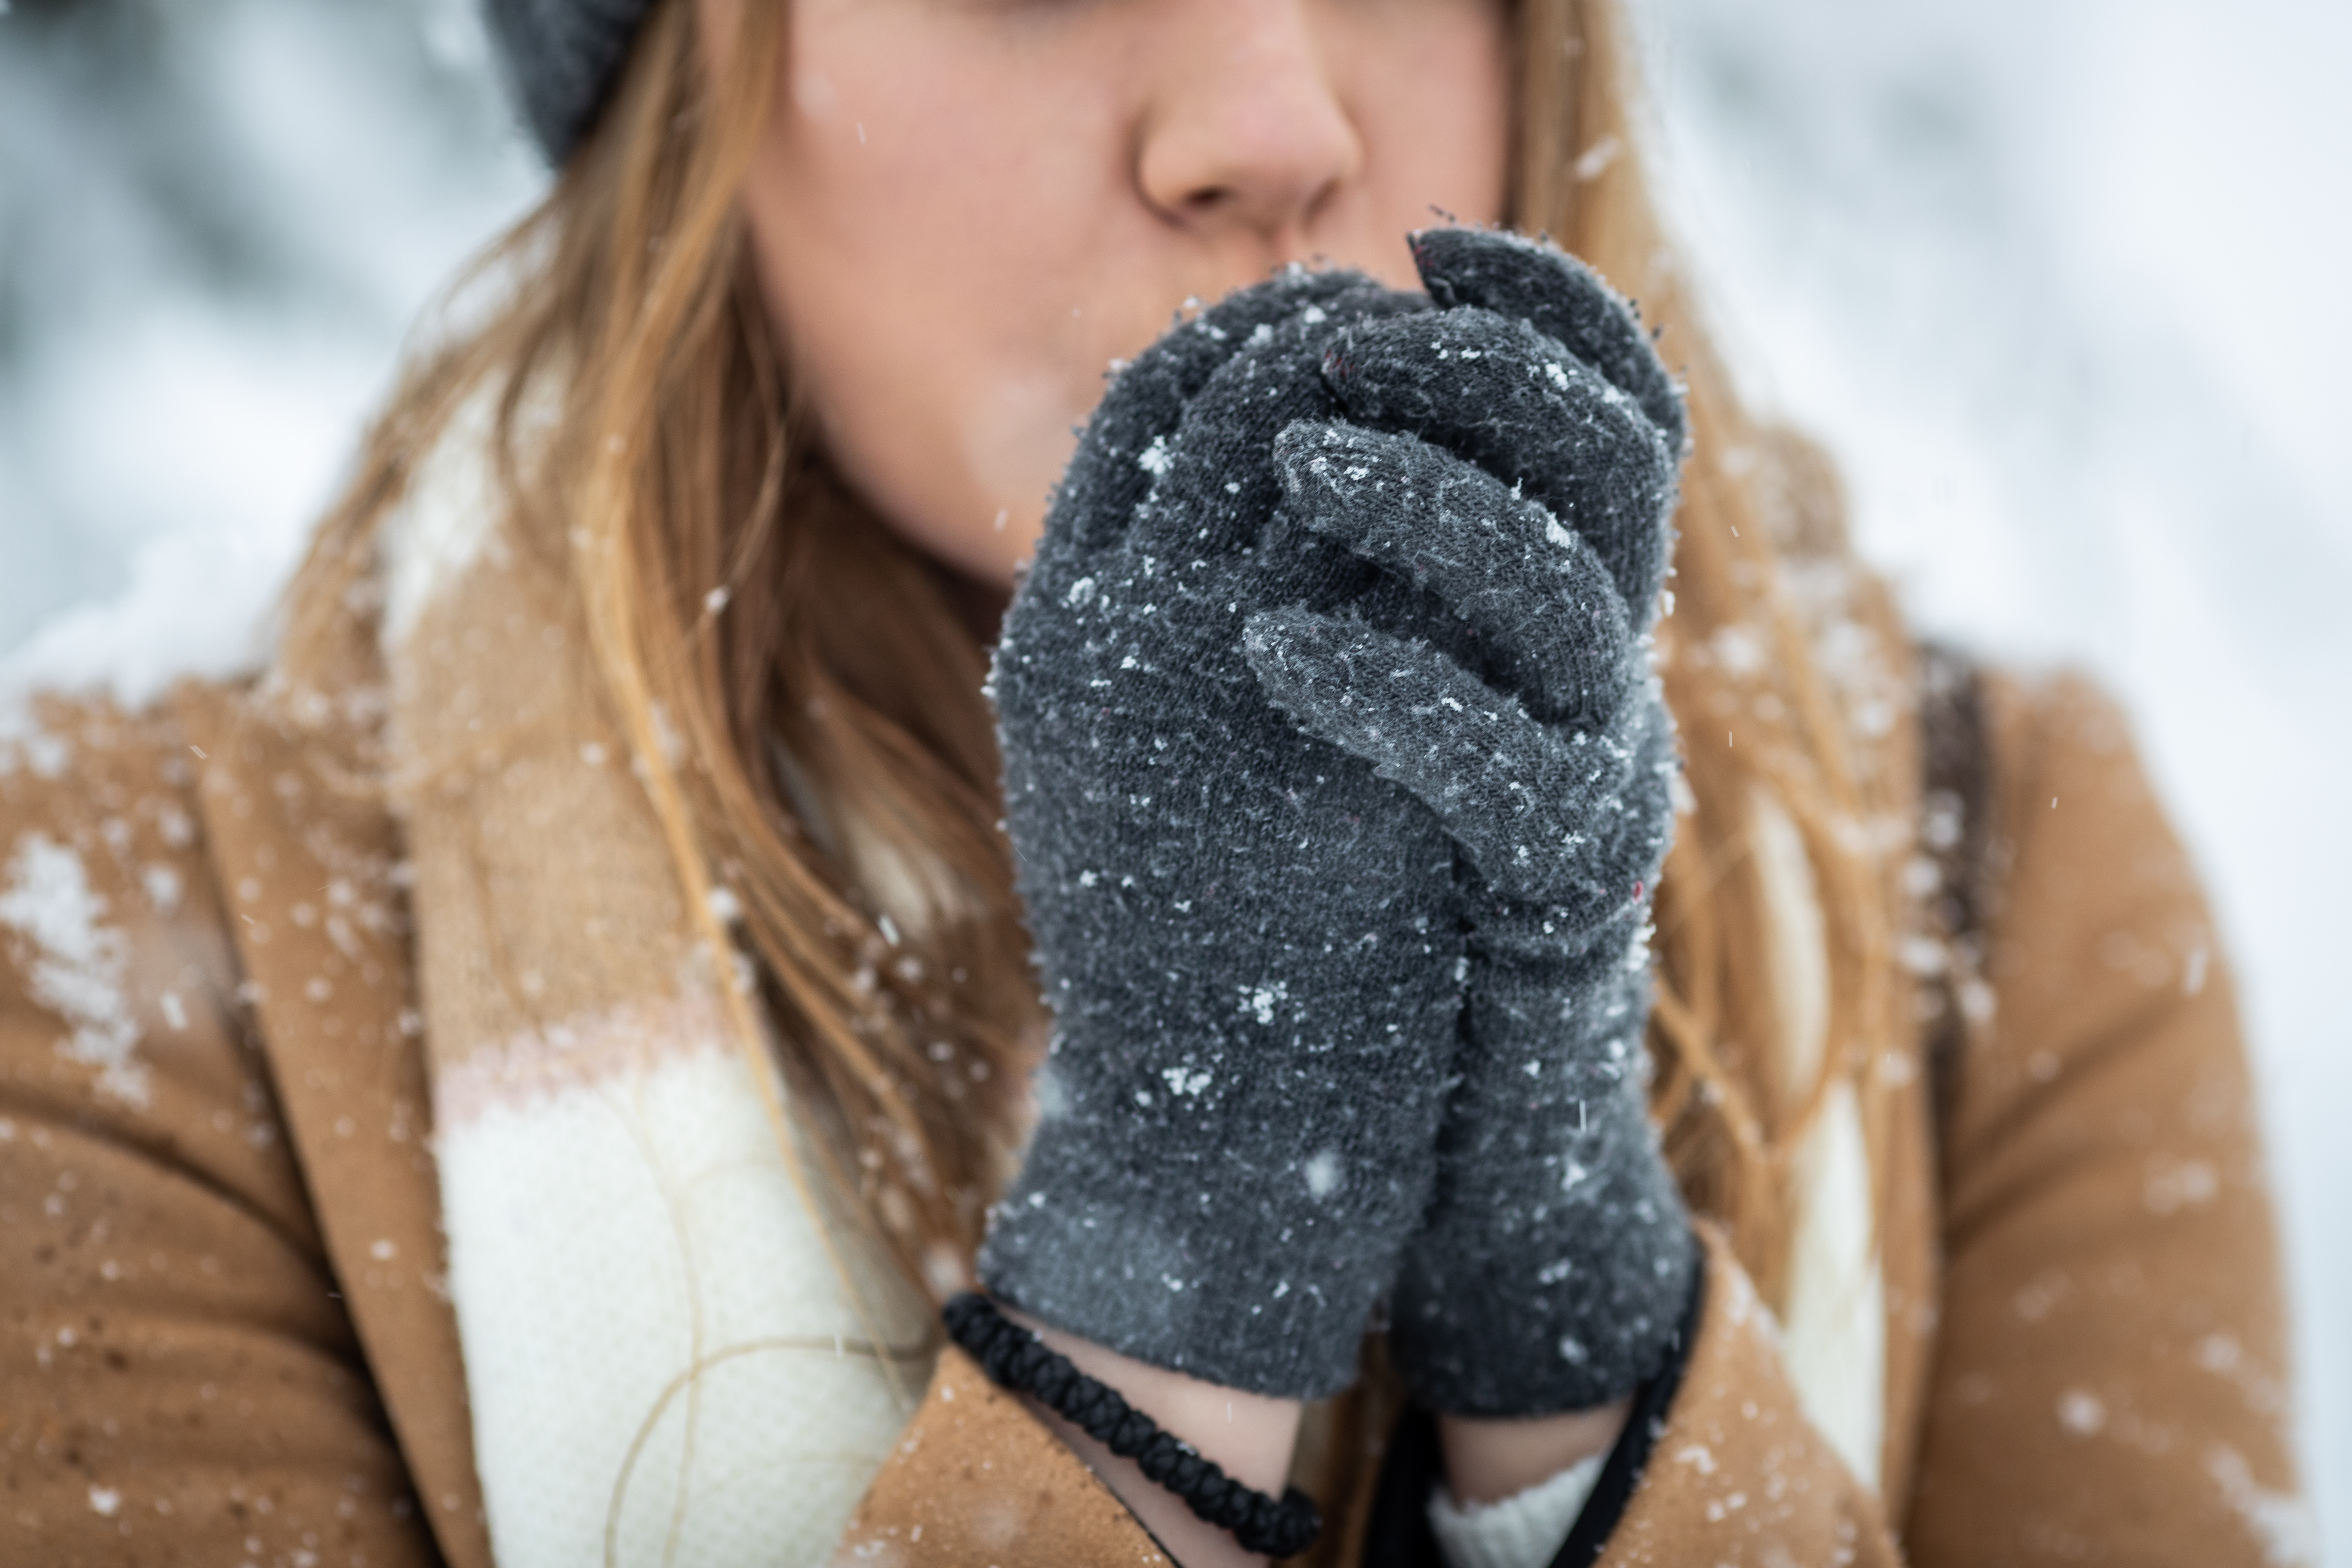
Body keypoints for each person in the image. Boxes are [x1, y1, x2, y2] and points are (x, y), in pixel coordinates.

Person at [0, 0, 2307, 1563]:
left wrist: (1585, 1376)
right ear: (683, 83)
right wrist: (1171, 1284)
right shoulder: (126, 943)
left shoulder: (1999, 873)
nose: (1273, 120)